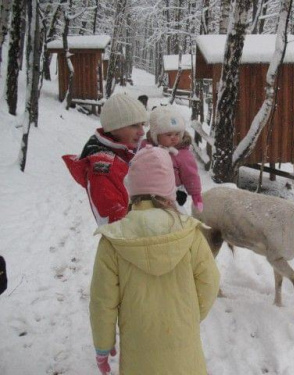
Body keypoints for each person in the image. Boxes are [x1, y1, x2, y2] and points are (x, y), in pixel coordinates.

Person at [89, 145, 220, 375]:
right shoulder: (189, 232)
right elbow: (209, 282)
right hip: (184, 350)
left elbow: (103, 301)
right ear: (168, 188)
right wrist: (190, 316)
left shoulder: (114, 240)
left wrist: (103, 345)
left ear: (132, 188)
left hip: (139, 353)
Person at [62, 93, 148, 225]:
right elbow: (115, 225)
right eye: (134, 125)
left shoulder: (124, 153)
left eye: (142, 124)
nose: (142, 132)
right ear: (114, 129)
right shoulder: (103, 168)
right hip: (130, 242)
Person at [149, 106, 204, 211]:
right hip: (149, 193)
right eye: (168, 134)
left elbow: (190, 175)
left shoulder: (183, 155)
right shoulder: (148, 149)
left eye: (177, 134)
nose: (173, 137)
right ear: (156, 136)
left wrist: (196, 194)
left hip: (173, 195)